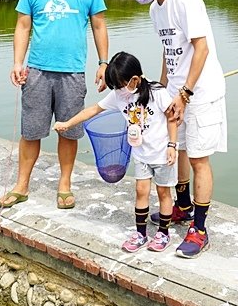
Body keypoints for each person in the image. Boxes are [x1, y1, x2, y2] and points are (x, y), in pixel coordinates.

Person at [113, 0, 226, 259]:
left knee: (199, 158)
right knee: (178, 150)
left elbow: (200, 48)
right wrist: (162, 90)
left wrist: (186, 92)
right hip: (175, 91)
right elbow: (168, 51)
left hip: (200, 91)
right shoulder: (154, 10)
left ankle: (199, 230)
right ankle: (183, 206)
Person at [0, 0, 109, 210]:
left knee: (68, 131)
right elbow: (23, 26)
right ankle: (21, 185)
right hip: (36, 71)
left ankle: (65, 185)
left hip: (72, 72)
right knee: (31, 130)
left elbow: (98, 25)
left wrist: (103, 63)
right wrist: (17, 62)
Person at [53, 51, 179, 252]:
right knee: (141, 191)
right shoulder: (119, 95)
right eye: (115, 86)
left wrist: (173, 146)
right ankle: (140, 234)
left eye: (120, 84)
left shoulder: (157, 92)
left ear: (135, 79)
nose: (118, 90)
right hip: (141, 154)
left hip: (162, 153)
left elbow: (172, 119)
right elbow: (93, 110)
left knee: (163, 192)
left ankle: (163, 233)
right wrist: (68, 123)